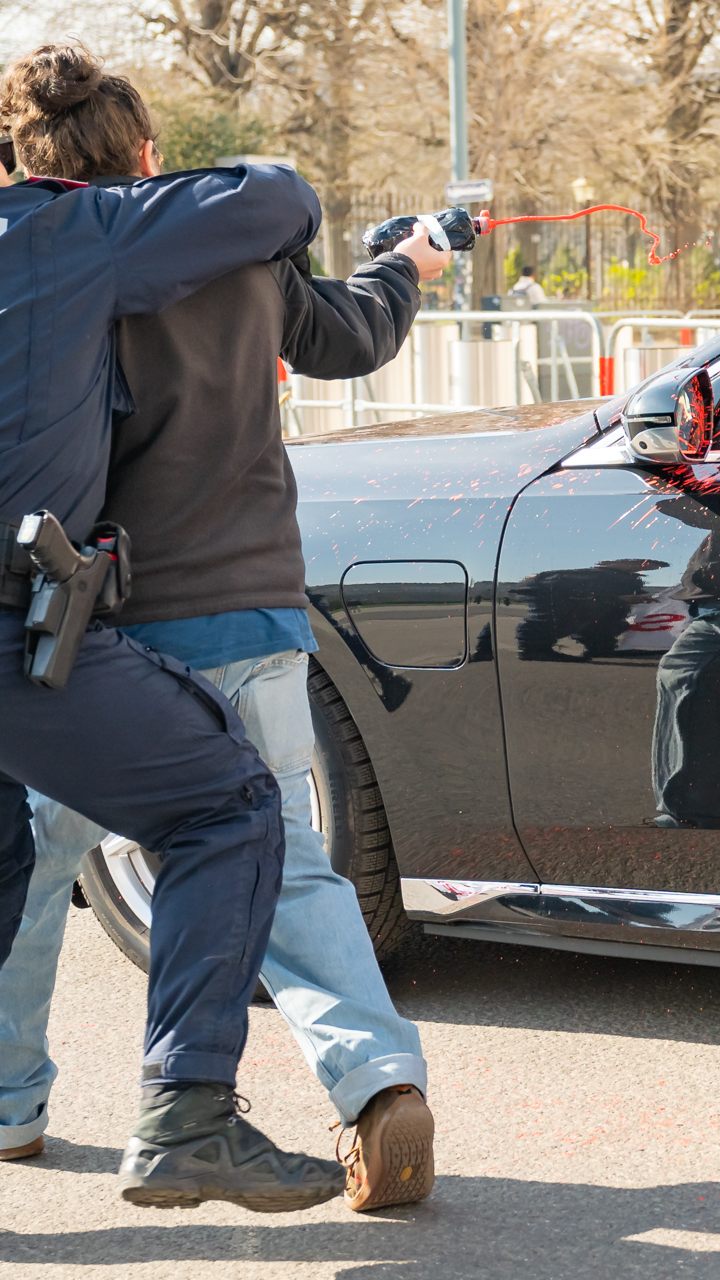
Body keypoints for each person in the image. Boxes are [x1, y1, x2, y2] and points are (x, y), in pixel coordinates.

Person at [0, 46, 451, 1212]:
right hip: (235, 601)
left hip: (86, 631)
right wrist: (407, 265)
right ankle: (372, 1083)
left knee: (37, 855)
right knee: (275, 851)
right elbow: (351, 332)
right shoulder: (214, 247)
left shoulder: (56, 264)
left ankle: (10, 1107)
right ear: (146, 163)